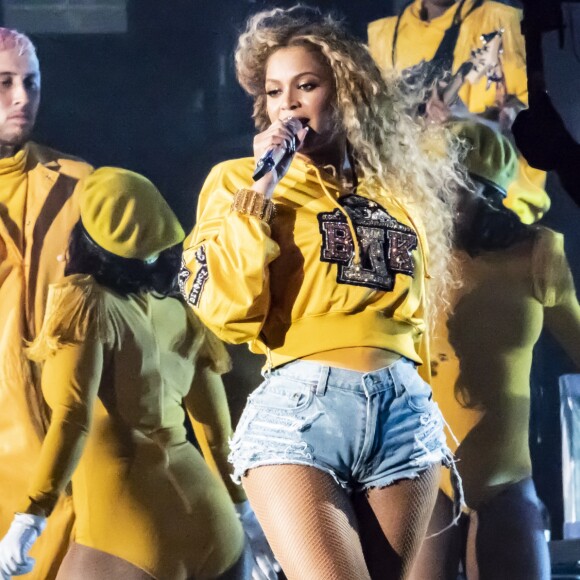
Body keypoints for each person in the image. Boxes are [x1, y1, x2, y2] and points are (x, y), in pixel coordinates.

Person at [180, 6, 469, 579]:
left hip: (403, 411)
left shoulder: (396, 192)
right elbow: (229, 306)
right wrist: (265, 182)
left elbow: (413, 324)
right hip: (302, 409)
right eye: (274, 91)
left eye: (306, 86)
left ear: (345, 94)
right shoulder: (238, 181)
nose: (287, 103)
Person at [0, 167, 278, 580]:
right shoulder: (183, 314)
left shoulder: (85, 303)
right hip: (215, 524)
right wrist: (246, 513)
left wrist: (31, 515)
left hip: (127, 528)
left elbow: (73, 417)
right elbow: (218, 433)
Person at [408, 122, 580, 580]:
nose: (439, 203)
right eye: (432, 188)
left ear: (490, 193)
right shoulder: (413, 258)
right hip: (424, 477)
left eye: (453, 189)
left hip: (505, 479)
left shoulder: (535, 253)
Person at [0, 27, 93, 580]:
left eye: (30, 83)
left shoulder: (80, 183)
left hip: (57, 424)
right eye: (4, 83)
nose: (21, 98)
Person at [367, 0, 549, 226]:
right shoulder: (383, 34)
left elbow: (537, 108)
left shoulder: (501, 19)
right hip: (415, 209)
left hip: (498, 209)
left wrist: (514, 115)